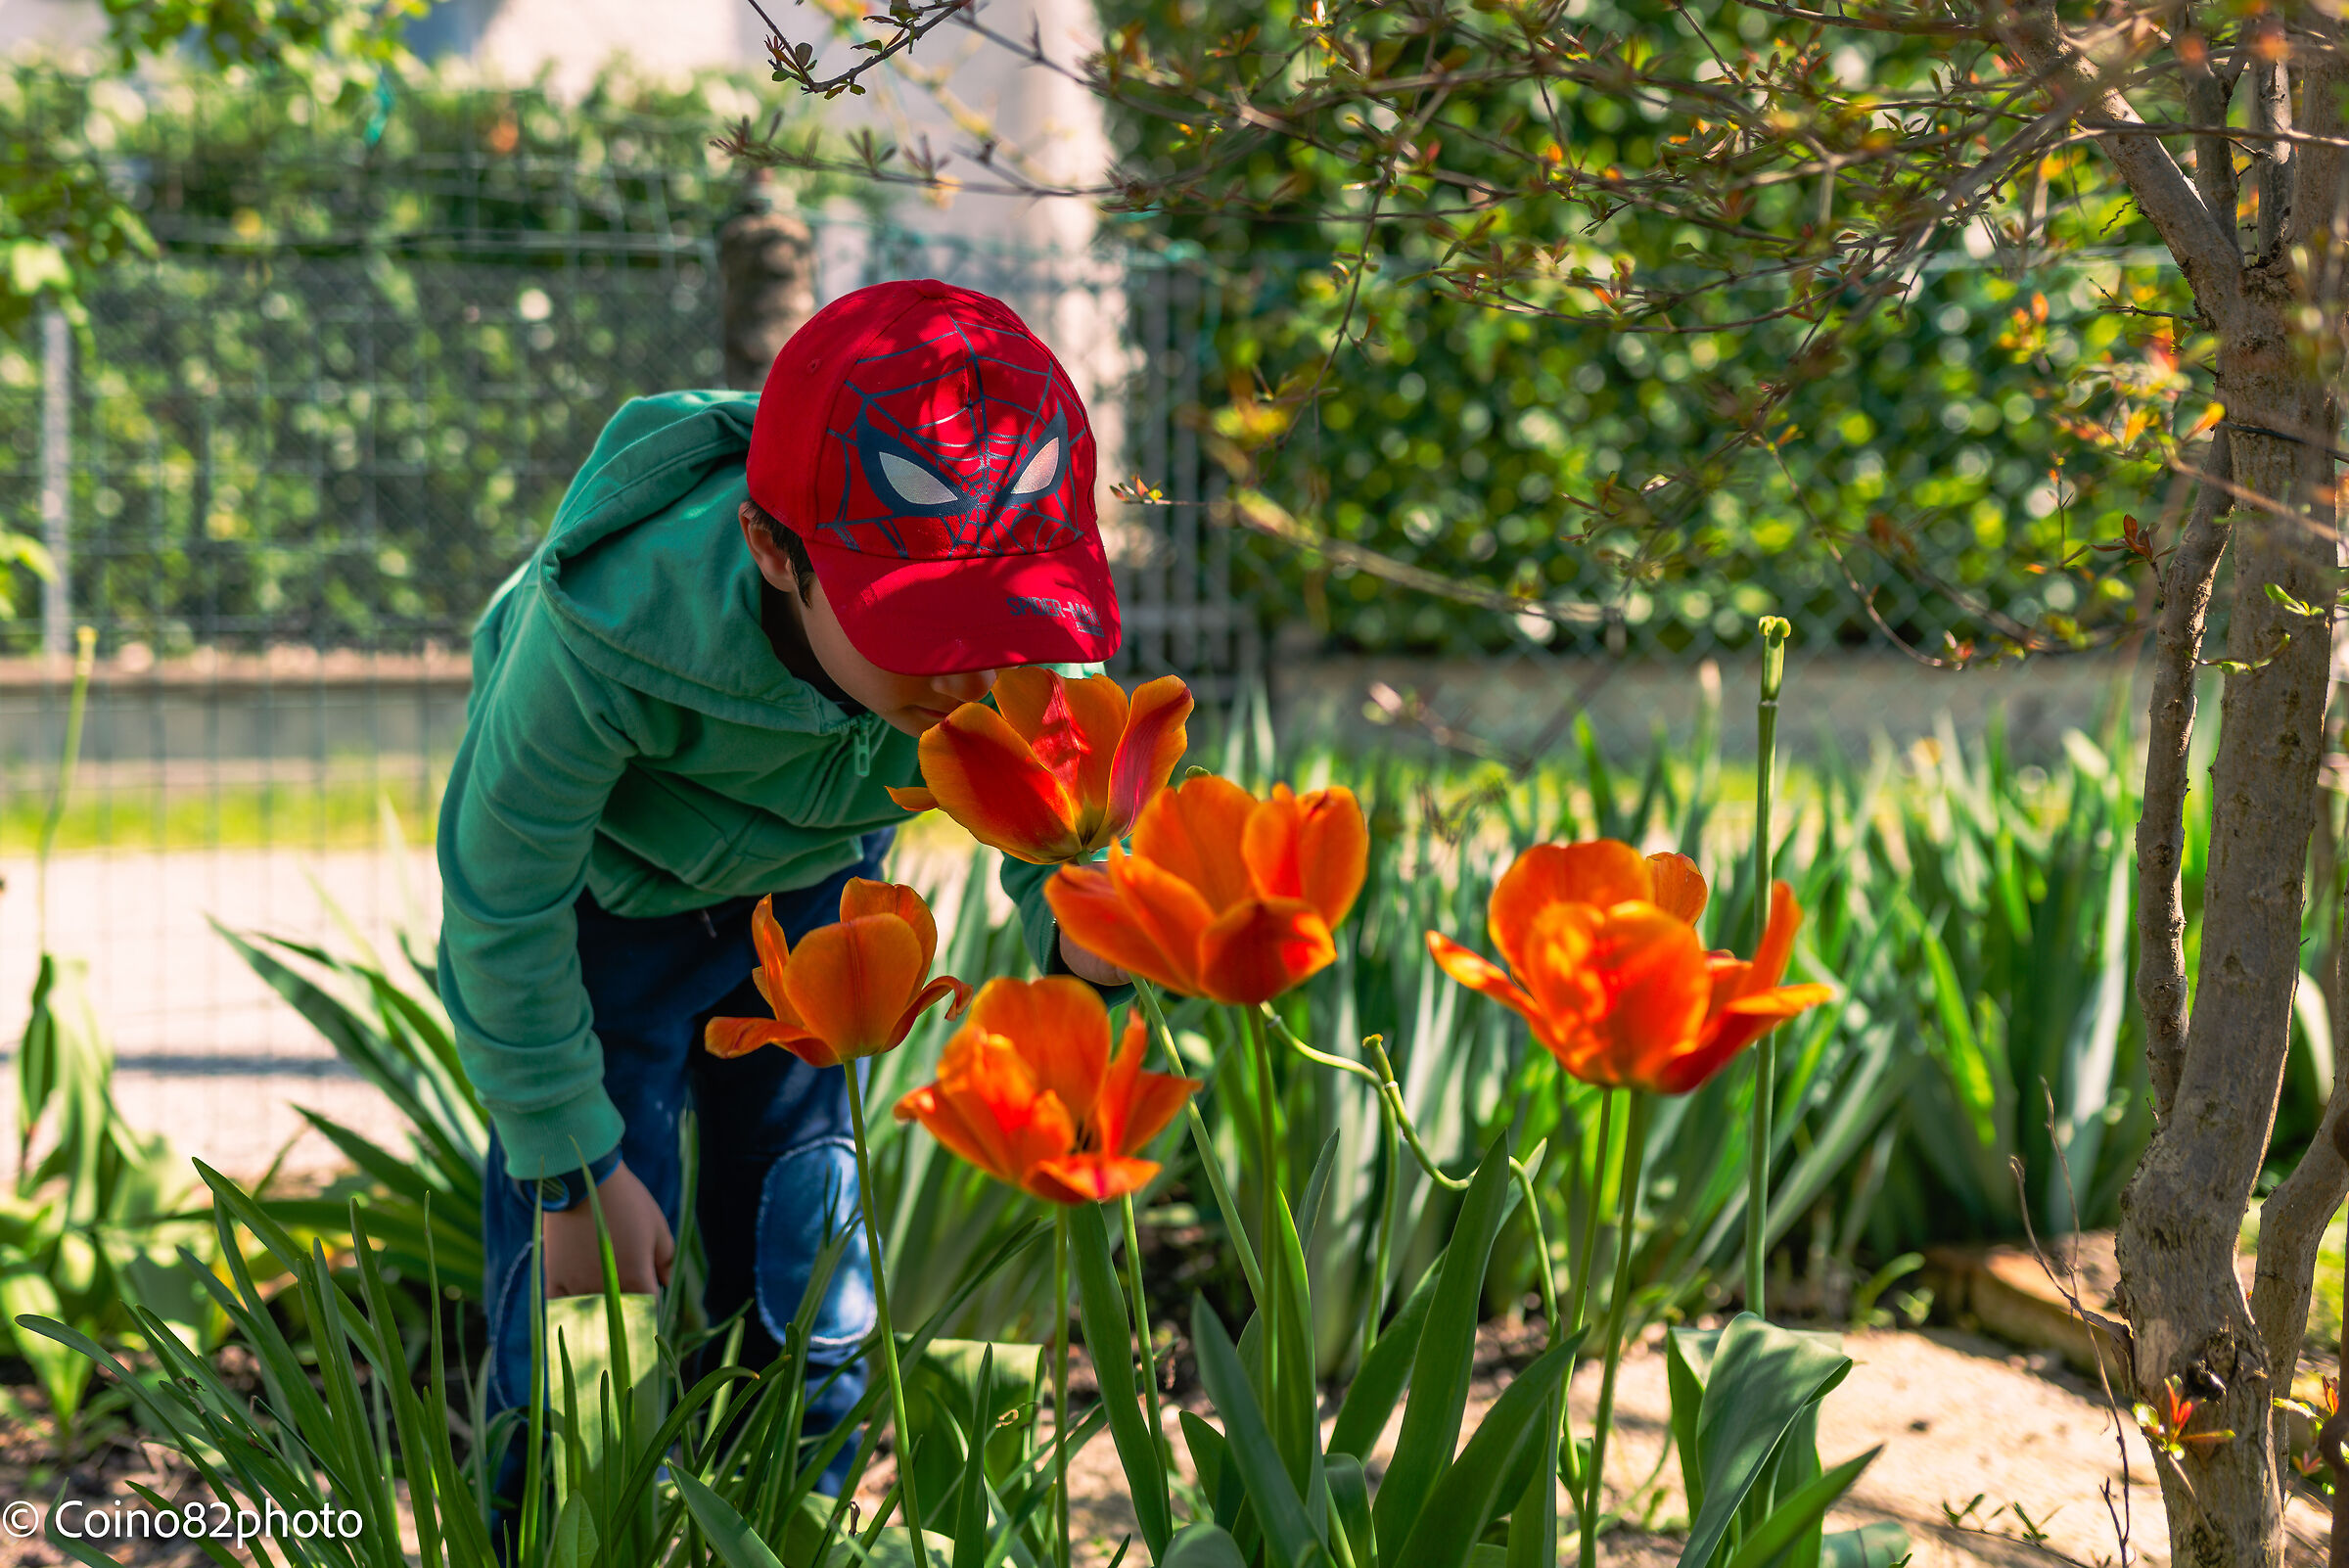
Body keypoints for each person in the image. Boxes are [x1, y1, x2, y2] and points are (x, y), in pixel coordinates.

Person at [434, 278, 1132, 1520]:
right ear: (773, 550)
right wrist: (569, 1169)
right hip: (607, 917)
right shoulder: (612, 624)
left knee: (806, 1284)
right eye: (927, 626)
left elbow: (1061, 829)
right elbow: (501, 897)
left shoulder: (1010, 634)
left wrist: (1093, 933)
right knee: (586, 1324)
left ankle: (783, 1531)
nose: (978, 671)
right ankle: (556, 1541)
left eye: (1006, 618)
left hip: (810, 905)